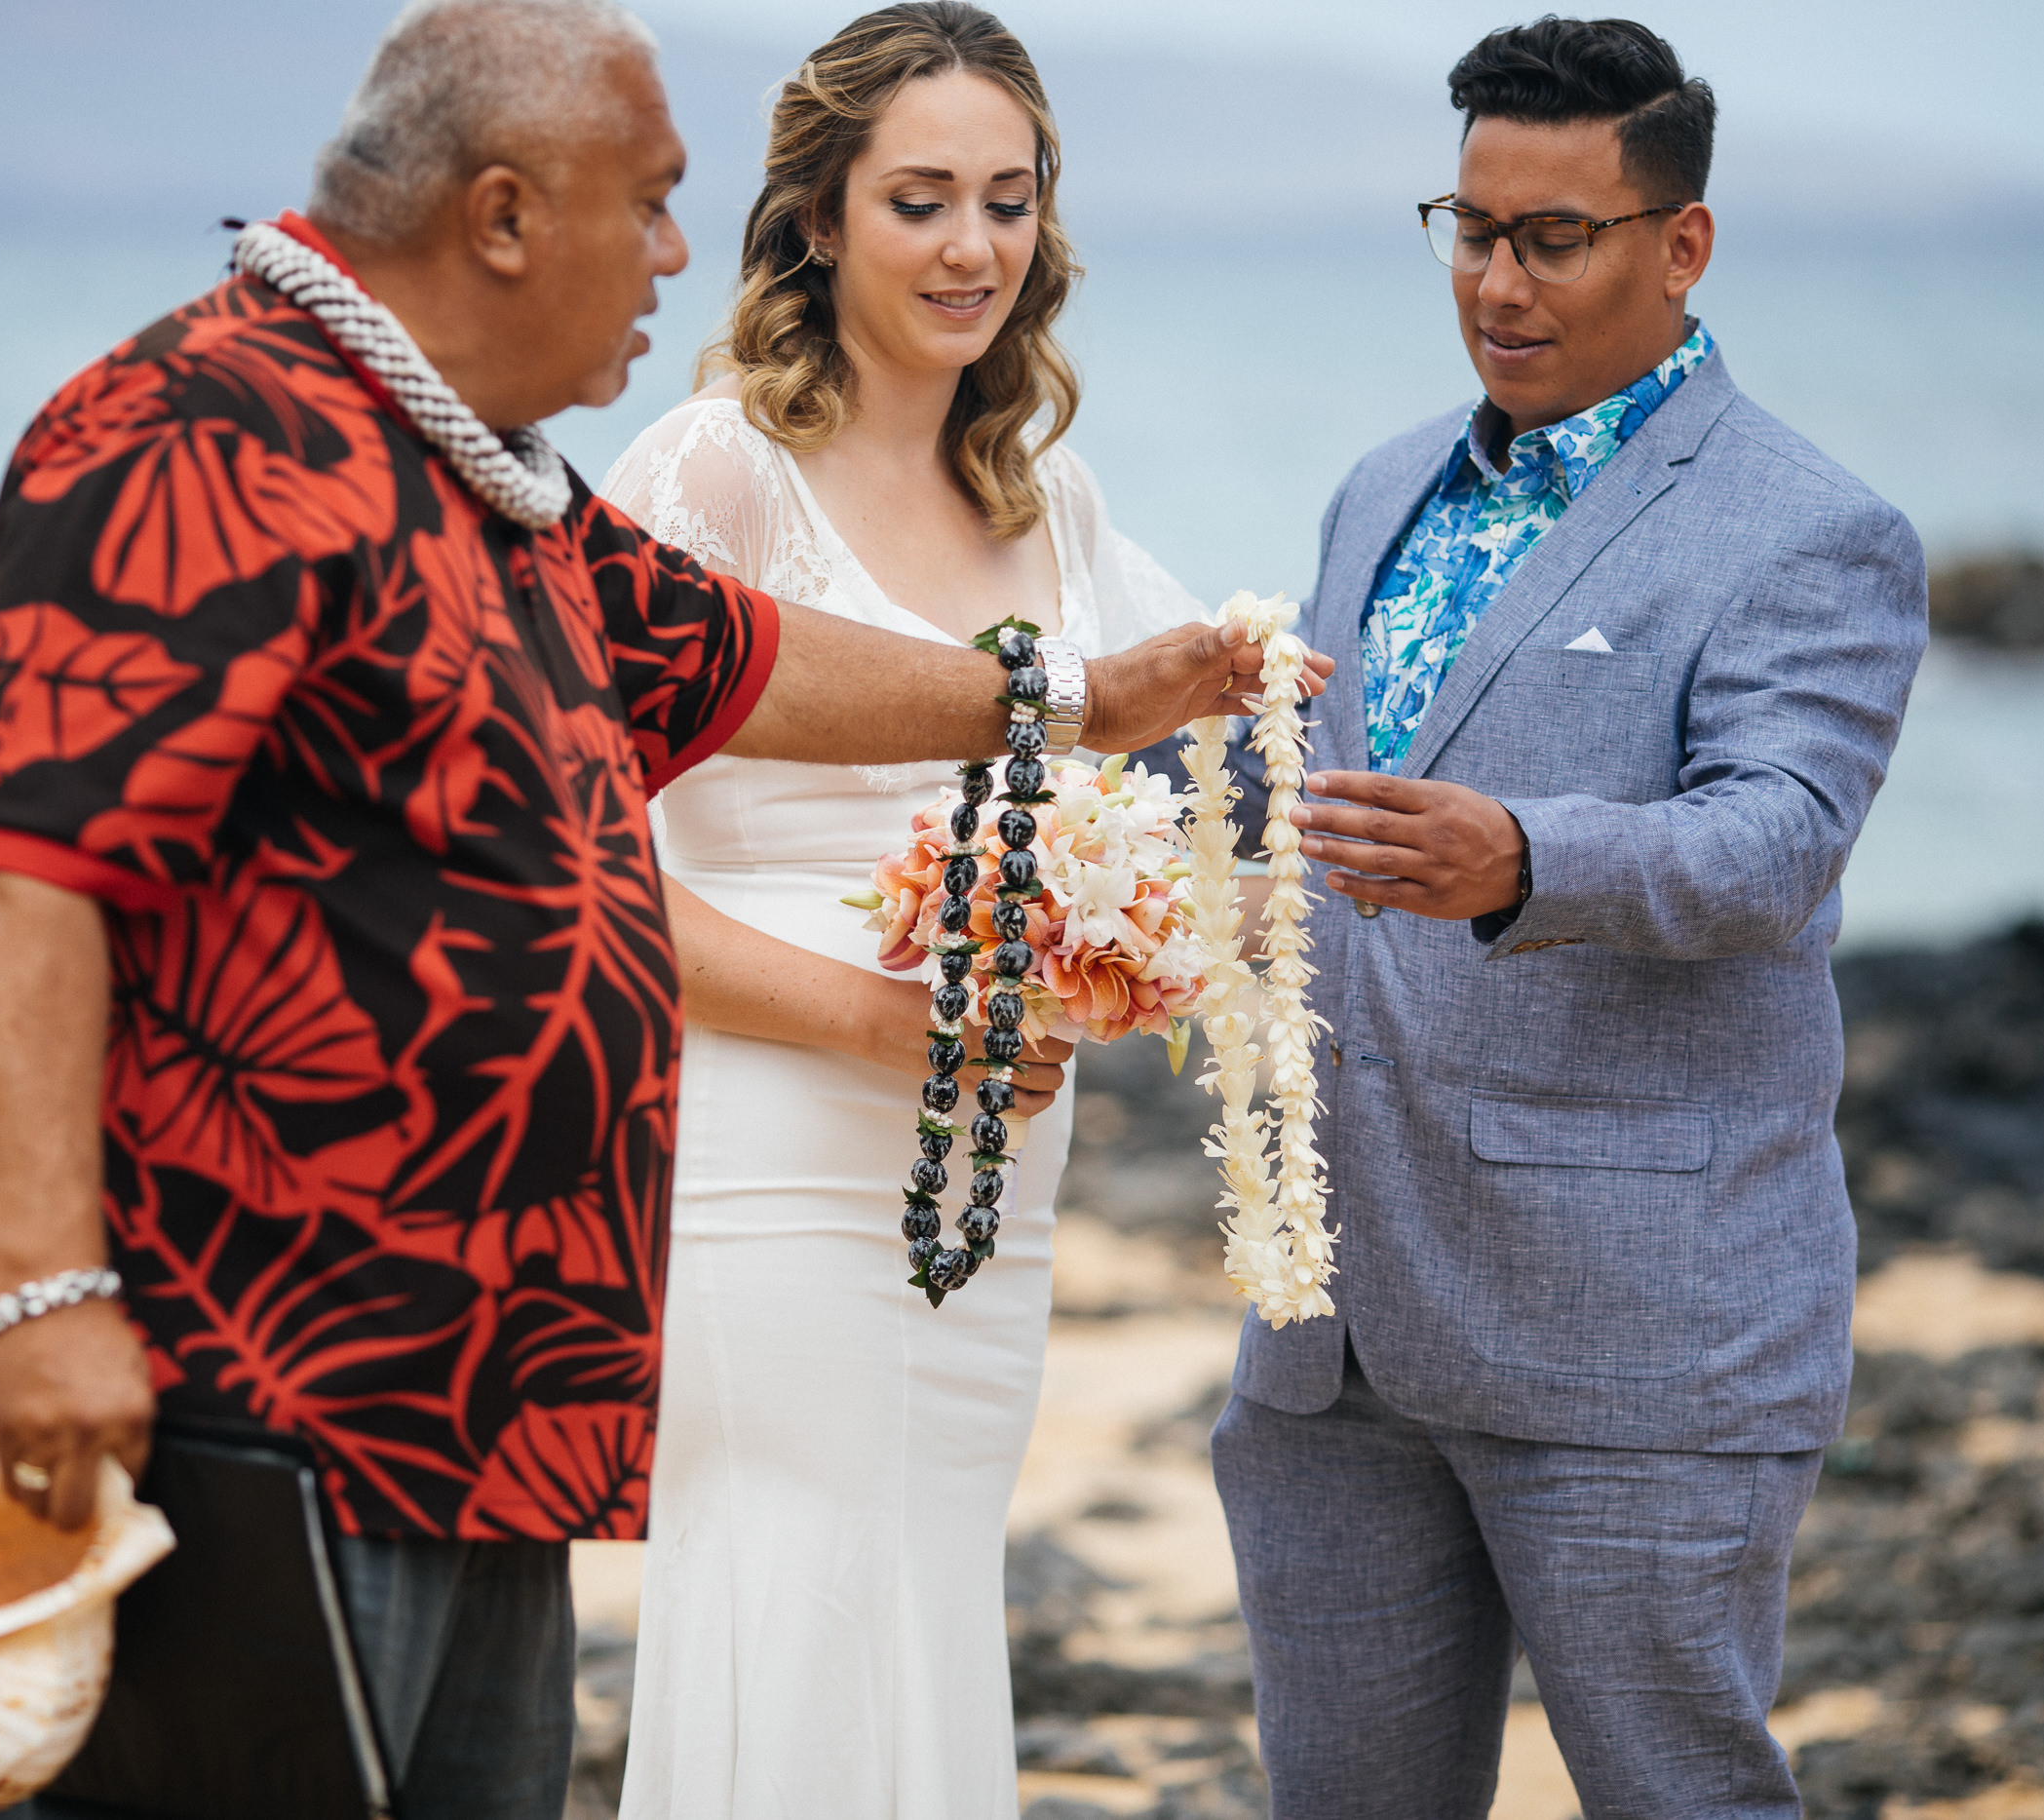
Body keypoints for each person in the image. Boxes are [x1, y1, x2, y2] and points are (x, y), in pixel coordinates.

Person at [0, 2, 1272, 1816]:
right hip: (254, 1373)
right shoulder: (193, 428)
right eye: (654, 198)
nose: (687, 252)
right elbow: (28, 872)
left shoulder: (500, 487)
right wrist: (44, 1296)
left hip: (493, 1376)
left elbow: (740, 654)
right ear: (505, 213)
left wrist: (1085, 700)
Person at [597, 7, 1325, 1814]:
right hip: (773, 1156)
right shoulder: (708, 477)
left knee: (924, 1599)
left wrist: (1154, 935)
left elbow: (1219, 743)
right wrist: (879, 1018)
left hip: (1000, 1171)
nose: (972, 246)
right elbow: (581, 875)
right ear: (820, 216)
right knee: (792, 1599)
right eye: (919, 198)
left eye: (1009, 200)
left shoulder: (1049, 502)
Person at [1207, 19, 1926, 1817]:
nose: (1496, 281)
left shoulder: (1814, 530)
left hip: (1636, 1340)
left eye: (1554, 238)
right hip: (1329, 1338)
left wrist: (1527, 858)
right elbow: (1294, 797)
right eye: (1470, 226)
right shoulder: (1381, 488)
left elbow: (1778, 841)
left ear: (1680, 244)